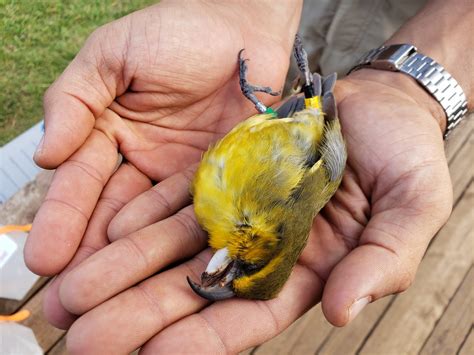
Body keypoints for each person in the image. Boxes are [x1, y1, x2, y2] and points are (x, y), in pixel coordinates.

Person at [24, 0, 472, 353]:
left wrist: (413, 91)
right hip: (305, 104)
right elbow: (327, 152)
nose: (226, 267)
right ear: (274, 246)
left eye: (230, 273)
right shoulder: (280, 199)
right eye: (247, 267)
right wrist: (245, 9)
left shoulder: (220, 222)